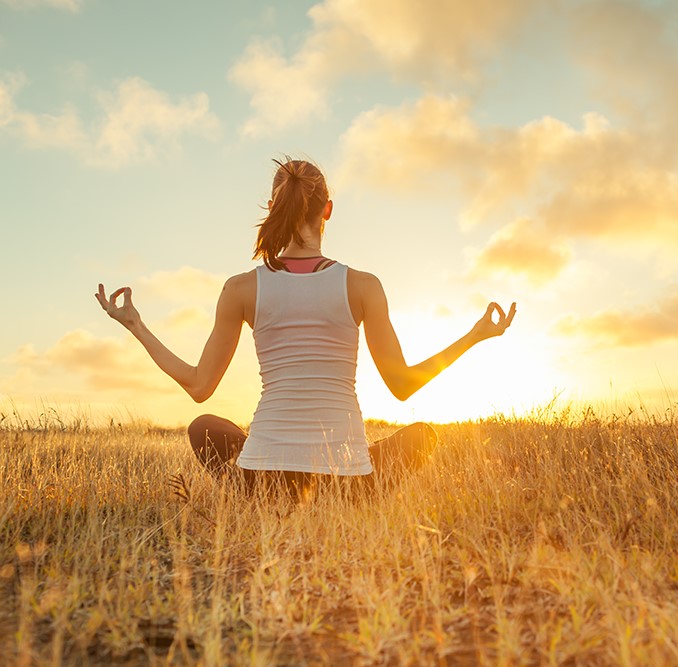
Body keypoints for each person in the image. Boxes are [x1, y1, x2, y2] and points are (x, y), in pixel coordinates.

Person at [95, 158, 515, 502]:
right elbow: (403, 385)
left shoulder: (241, 289)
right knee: (422, 436)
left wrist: (136, 326)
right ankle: (343, 491)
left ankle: (271, 497)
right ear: (327, 209)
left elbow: (199, 385)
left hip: (264, 480)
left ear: (274, 206)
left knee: (204, 424)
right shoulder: (363, 286)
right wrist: (474, 335)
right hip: (348, 484)